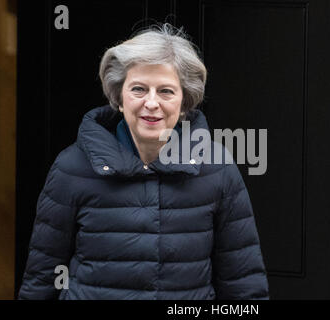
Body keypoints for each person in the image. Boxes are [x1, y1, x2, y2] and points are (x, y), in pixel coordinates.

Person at [18, 23, 269, 300]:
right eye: (138, 89)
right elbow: (42, 278)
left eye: (166, 91)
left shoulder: (217, 168)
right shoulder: (72, 167)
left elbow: (243, 283)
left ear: (184, 102)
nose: (151, 103)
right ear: (119, 97)